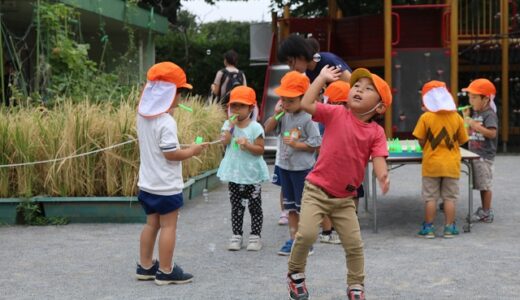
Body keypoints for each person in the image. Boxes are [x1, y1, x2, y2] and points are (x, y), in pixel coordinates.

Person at [285, 66, 391, 300]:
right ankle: (295, 274)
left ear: (380, 107)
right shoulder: (336, 113)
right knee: (306, 235)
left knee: (354, 244)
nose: (358, 90)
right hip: (316, 190)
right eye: (356, 86)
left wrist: (382, 175)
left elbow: (379, 158)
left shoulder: (376, 132)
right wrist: (321, 78)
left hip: (345, 200)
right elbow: (307, 104)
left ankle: (356, 286)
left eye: (367, 89)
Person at [135, 62, 209, 285]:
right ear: (168, 93)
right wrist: (193, 150)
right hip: (166, 187)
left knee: (151, 224)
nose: (180, 98)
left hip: (147, 185)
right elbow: (171, 155)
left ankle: (145, 266)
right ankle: (166, 270)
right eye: (179, 92)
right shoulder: (166, 122)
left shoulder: (142, 116)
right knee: (169, 226)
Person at [264, 71, 321, 256]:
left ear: (303, 98)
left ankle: (306, 242)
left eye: (291, 100)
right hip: (285, 167)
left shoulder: (308, 118)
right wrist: (276, 115)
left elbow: (316, 143)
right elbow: (268, 129)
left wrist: (297, 144)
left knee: (303, 207)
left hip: (302, 170)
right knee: (290, 207)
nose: (286, 104)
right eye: (283, 100)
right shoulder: (284, 115)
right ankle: (293, 239)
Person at [412, 80, 469, 239]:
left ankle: (428, 228)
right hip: (451, 165)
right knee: (449, 199)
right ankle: (449, 228)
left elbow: (421, 139)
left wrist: (427, 148)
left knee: (430, 198)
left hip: (431, 164)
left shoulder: (426, 117)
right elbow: (463, 139)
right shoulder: (456, 117)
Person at [217, 85, 270, 251]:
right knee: (236, 207)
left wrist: (248, 145)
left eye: (241, 106)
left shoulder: (255, 127)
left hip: (251, 174)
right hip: (234, 173)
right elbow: (224, 141)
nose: (237, 110)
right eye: (233, 106)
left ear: (251, 108)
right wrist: (229, 127)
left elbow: (260, 150)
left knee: (255, 207)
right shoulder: (228, 124)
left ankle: (255, 236)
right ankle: (237, 235)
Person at [318, 80, 365, 245]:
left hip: (337, 167)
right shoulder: (337, 117)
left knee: (340, 195)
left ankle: (333, 229)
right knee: (340, 196)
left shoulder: (327, 116)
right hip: (341, 168)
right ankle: (333, 230)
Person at [461, 79, 498, 223]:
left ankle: (486, 212)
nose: (471, 101)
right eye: (470, 97)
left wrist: (474, 125)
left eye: (474, 97)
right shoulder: (476, 113)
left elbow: (492, 134)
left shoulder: (489, 114)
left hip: (484, 156)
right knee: (480, 184)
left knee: (485, 185)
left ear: (486, 99)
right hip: (475, 155)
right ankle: (484, 210)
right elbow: (466, 135)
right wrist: (466, 119)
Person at [277, 34, 352, 82]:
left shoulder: (328, 61)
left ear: (301, 54)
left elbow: (352, 84)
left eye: (291, 62)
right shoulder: (309, 70)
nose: (291, 69)